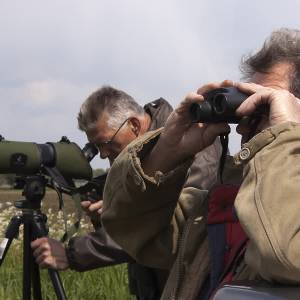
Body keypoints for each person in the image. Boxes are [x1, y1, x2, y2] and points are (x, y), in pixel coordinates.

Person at [101, 28, 300, 300]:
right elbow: (133, 229)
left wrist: (284, 137)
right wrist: (165, 151)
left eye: (265, 108)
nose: (245, 126)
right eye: (249, 108)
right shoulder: (232, 196)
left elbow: (286, 257)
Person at [31, 86, 222, 299]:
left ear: (133, 125)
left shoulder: (195, 142)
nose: (103, 155)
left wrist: (72, 254)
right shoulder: (130, 157)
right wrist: (109, 214)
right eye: (95, 147)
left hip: (188, 287)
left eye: (105, 143)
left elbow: (181, 232)